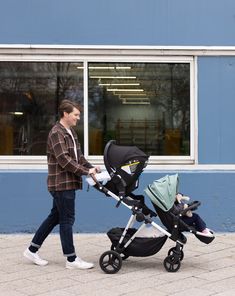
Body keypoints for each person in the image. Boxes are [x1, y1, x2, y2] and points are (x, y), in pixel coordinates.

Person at [23, 99, 100, 270]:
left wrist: (91, 167)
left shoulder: (70, 132)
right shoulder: (56, 133)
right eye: (76, 115)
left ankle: (31, 250)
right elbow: (64, 160)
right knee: (67, 219)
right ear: (65, 114)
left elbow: (78, 157)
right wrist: (85, 172)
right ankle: (71, 259)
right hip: (61, 184)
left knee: (55, 217)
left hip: (68, 183)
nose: (78, 118)